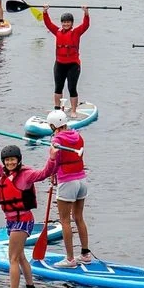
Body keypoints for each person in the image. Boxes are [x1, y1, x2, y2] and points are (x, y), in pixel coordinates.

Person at [0, 135, 55, 288]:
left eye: (13, 160)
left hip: (23, 220)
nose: (10, 163)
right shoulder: (4, 173)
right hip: (12, 221)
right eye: (7, 160)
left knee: (12, 258)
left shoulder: (26, 175)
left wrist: (52, 158)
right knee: (20, 257)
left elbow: (45, 173)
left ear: (19, 160)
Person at [44, 109, 91, 265]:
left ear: (53, 125)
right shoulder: (78, 136)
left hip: (67, 181)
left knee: (65, 220)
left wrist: (52, 173)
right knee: (78, 217)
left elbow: (55, 161)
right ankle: (85, 254)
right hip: (82, 180)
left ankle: (70, 258)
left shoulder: (56, 140)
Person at [43, 6, 91, 115]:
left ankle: (73, 111)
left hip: (73, 65)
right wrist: (45, 12)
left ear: (72, 23)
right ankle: (57, 109)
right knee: (58, 87)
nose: (66, 24)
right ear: (61, 23)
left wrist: (86, 13)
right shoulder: (57, 31)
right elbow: (48, 24)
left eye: (68, 22)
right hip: (59, 64)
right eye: (64, 22)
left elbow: (86, 25)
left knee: (72, 88)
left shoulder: (76, 32)